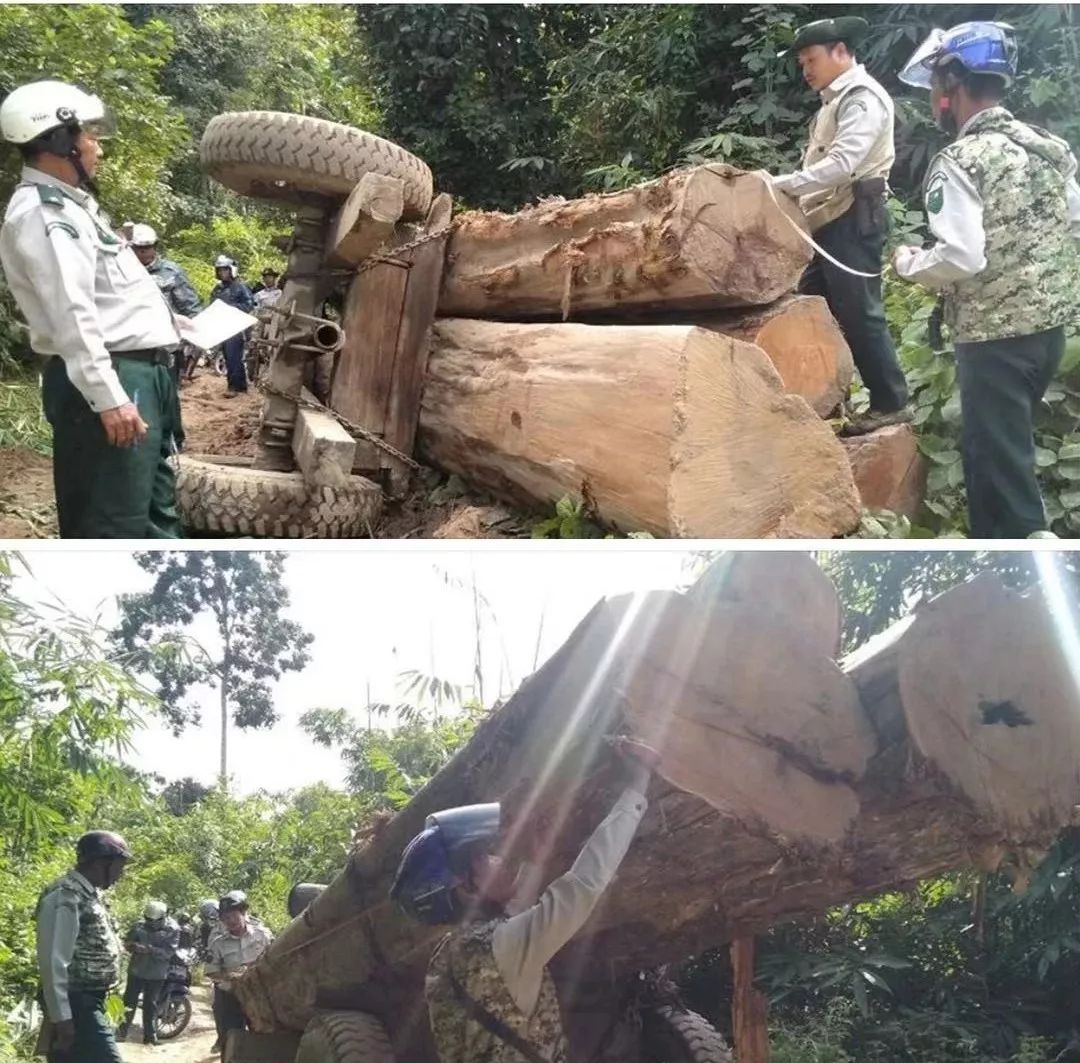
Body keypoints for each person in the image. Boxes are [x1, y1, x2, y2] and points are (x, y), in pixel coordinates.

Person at [893, 21, 1080, 538]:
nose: (933, 99)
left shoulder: (959, 160)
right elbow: (1073, 223)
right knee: (1013, 456)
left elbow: (962, 256)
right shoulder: (1048, 148)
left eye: (934, 87)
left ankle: (1022, 579)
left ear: (951, 87)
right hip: (1049, 334)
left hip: (994, 342)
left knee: (999, 480)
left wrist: (909, 263)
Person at [390, 736, 659, 1063]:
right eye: (484, 856)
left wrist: (535, 858)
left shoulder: (455, 951)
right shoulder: (501, 948)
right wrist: (637, 787)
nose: (499, 858)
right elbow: (584, 884)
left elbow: (513, 918)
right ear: (465, 887)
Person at [0, 80, 185, 538]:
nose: (95, 146)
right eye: (87, 135)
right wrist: (110, 398)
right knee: (112, 524)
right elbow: (72, 313)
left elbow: (107, 299)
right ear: (61, 143)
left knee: (156, 514)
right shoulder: (45, 215)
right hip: (113, 379)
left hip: (139, 372)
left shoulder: (76, 209)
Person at [770, 17, 910, 434]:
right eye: (801, 62)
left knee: (860, 313)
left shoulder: (860, 97)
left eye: (811, 59)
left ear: (841, 52)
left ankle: (891, 401)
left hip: (852, 217)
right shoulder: (834, 102)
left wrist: (780, 186)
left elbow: (843, 164)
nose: (806, 69)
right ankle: (830, 400)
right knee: (812, 310)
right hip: (828, 222)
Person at [34, 831, 132, 1063]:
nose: (121, 873)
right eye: (120, 865)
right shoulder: (66, 895)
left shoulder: (89, 894)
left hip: (89, 1000)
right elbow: (53, 960)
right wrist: (62, 1017)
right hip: (76, 1003)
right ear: (101, 863)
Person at [128, 223, 202, 385]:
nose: (142, 252)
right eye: (137, 248)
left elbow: (190, 307)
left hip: (166, 348)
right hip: (131, 347)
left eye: (146, 247)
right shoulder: (121, 270)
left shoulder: (171, 272)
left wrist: (194, 341)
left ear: (155, 247)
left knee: (167, 396)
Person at [203, 890, 273, 1054]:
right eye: (226, 918)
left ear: (243, 913)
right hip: (230, 997)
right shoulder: (217, 943)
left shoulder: (263, 935)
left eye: (234, 915)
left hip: (258, 995)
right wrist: (231, 975)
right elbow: (210, 971)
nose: (231, 921)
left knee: (263, 1036)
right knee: (231, 1040)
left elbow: (276, 959)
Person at [118, 900, 179, 1046]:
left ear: (164, 917)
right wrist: (132, 946)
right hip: (136, 970)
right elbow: (127, 942)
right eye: (148, 920)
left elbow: (169, 952)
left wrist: (150, 949)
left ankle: (150, 1037)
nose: (151, 923)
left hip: (156, 973)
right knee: (128, 1002)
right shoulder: (138, 926)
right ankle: (121, 1032)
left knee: (150, 1004)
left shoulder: (172, 929)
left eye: (155, 920)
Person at [210, 254, 254, 397]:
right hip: (222, 327)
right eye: (220, 270)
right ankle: (237, 385)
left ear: (231, 270)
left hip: (236, 327)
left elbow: (249, 305)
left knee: (235, 357)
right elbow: (211, 307)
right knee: (228, 357)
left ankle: (236, 387)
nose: (222, 273)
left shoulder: (240, 287)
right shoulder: (218, 289)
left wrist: (231, 307)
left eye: (225, 270)